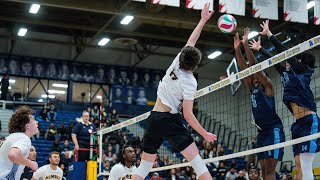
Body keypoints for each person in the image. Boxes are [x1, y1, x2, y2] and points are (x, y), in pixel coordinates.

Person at [132, 4, 217, 180]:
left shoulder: (177, 62)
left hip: (154, 117)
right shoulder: (190, 83)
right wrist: (205, 134)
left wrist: (202, 20)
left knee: (143, 168)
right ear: (195, 65)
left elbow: (191, 41)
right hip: (170, 120)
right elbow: (188, 115)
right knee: (198, 164)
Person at [250, 20, 320, 179]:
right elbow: (275, 61)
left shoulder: (302, 71)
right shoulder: (287, 74)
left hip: (310, 121)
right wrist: (260, 49)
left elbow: (285, 52)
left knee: (305, 164)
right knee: (298, 165)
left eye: (293, 57)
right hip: (298, 125)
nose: (288, 59)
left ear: (299, 61)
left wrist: (269, 34)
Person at [234, 28, 285, 179]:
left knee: (269, 170)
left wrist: (246, 46)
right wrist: (237, 50)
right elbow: (245, 70)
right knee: (263, 171)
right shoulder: (252, 88)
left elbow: (255, 67)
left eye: (258, 78)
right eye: (254, 79)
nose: (255, 80)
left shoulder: (268, 87)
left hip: (274, 131)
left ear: (263, 78)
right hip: (261, 134)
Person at [0, 106, 39, 179]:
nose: (37, 122)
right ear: (27, 125)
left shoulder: (11, 137)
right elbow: (13, 155)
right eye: (33, 119)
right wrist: (31, 164)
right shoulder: (23, 138)